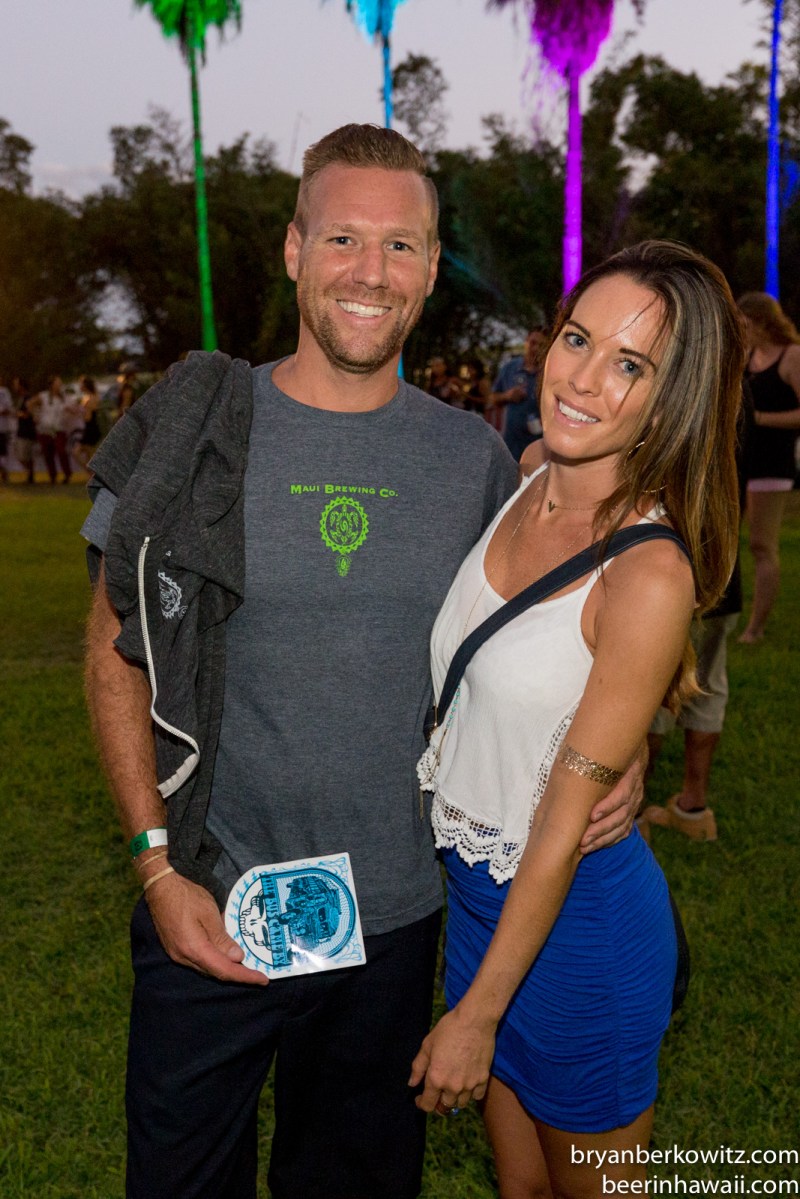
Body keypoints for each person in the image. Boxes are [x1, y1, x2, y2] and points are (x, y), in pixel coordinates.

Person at [82, 124, 640, 1199]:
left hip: (390, 916)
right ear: (295, 250)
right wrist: (156, 867)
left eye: (400, 246)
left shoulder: (471, 459)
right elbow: (116, 654)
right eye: (343, 237)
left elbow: (559, 637)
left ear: (428, 271)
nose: (369, 272)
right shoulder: (199, 431)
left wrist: (626, 751)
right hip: (210, 897)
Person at [411, 241, 744, 1198]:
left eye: (630, 364)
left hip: (579, 933)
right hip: (481, 906)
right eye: (577, 339)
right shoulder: (528, 471)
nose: (583, 379)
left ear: (671, 399)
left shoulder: (648, 571)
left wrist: (476, 1015)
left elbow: (562, 821)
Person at [736, 292, 800, 644]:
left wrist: (759, 418)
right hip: (741, 462)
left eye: (745, 324)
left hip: (773, 464)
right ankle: (726, 615)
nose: (742, 330)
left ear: (763, 322)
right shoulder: (748, 356)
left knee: (762, 545)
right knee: (729, 541)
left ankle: (755, 628)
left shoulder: (792, 356)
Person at [489, 326, 548, 461]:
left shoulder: (549, 372)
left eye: (541, 345)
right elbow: (492, 399)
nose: (535, 348)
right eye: (533, 343)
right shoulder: (509, 368)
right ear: (526, 342)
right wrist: (507, 396)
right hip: (510, 444)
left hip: (538, 446)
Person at [28, 375, 75, 484]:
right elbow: (30, 404)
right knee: (48, 453)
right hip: (44, 429)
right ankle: (52, 475)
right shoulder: (44, 396)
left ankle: (67, 474)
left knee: (61, 451)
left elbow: (71, 409)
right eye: (57, 383)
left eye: (60, 383)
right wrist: (35, 415)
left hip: (59, 428)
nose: (59, 385)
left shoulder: (64, 397)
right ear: (51, 385)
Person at [73, 376, 103, 470]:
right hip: (90, 428)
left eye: (81, 384)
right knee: (88, 456)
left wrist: (80, 412)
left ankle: (91, 473)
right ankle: (91, 474)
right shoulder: (88, 397)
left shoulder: (90, 398)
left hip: (91, 429)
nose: (79, 386)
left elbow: (88, 418)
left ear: (86, 386)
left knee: (78, 453)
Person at [11, 377, 36, 484]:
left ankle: (30, 474)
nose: (15, 387)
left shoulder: (28, 398)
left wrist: (18, 414)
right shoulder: (21, 398)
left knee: (25, 455)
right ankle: (30, 474)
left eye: (16, 384)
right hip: (21, 430)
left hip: (27, 431)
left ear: (21, 386)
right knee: (22, 454)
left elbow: (29, 414)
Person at [0, 376, 14, 483]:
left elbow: (8, 409)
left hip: (2, 428)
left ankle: (4, 472)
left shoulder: (4, 392)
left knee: (2, 452)